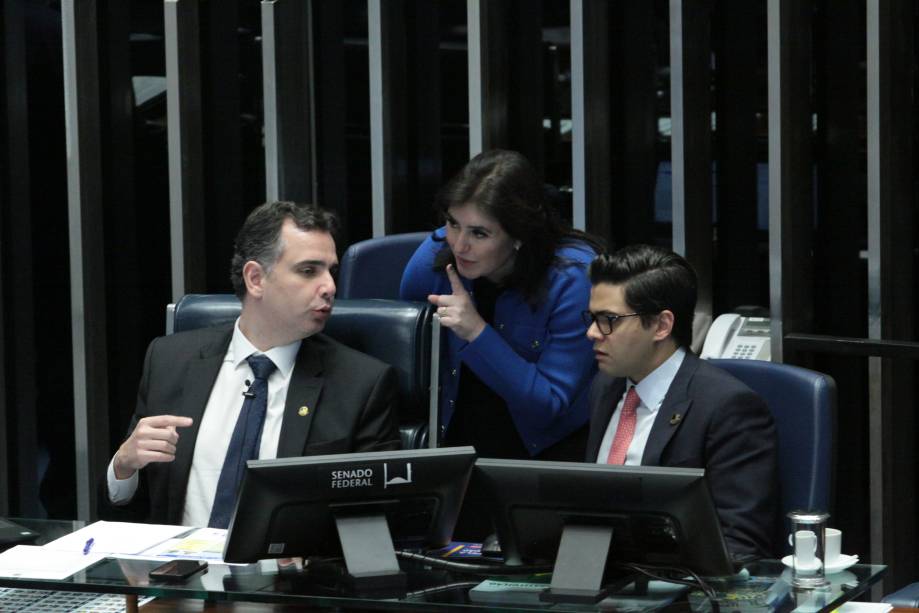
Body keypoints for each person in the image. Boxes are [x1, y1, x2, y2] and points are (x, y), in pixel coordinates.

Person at [102, 201, 400, 527]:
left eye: (332, 271)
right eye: (308, 270)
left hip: (291, 574)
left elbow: (376, 517)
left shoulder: (360, 383)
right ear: (256, 278)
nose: (329, 286)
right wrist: (124, 466)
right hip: (179, 572)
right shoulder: (170, 360)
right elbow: (138, 504)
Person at [400, 149, 601, 461]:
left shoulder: (573, 277)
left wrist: (477, 332)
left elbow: (549, 405)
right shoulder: (435, 255)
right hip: (455, 435)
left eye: (479, 233)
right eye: (453, 223)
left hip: (545, 450)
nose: (459, 245)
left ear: (519, 235)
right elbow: (404, 355)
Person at [583, 244, 778, 560]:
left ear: (661, 325)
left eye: (609, 320)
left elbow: (740, 546)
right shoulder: (605, 387)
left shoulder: (728, 407)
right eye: (592, 317)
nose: (592, 332)